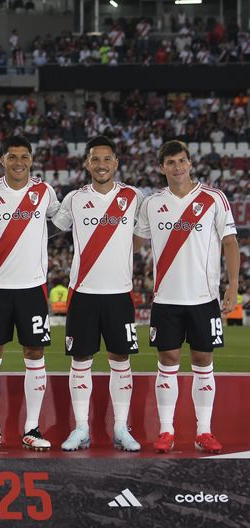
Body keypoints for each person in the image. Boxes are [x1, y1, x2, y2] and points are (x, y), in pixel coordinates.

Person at [134, 140, 239, 454]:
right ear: (162, 167)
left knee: (203, 361)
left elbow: (231, 243)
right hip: (166, 298)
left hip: (203, 297)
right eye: (171, 162)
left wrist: (232, 285)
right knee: (167, 361)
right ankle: (166, 431)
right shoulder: (151, 203)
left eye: (182, 161)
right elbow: (135, 243)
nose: (177, 167)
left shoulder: (213, 198)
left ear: (190, 164)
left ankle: (203, 431)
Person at [51, 135, 145, 452]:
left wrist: (125, 256)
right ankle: (81, 428)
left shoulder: (134, 197)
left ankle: (120, 428)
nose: (101, 164)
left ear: (116, 162)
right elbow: (50, 226)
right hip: (84, 292)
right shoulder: (74, 199)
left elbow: (146, 232)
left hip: (120, 293)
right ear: (87, 163)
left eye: (107, 159)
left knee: (121, 360)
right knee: (81, 360)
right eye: (95, 159)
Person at [0, 135, 60, 452]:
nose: (19, 162)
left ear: (32, 160)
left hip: (32, 289)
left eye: (24, 156)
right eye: (13, 157)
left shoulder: (44, 193)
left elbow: (60, 219)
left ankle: (32, 427)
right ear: (3, 160)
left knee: (35, 356)